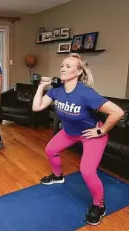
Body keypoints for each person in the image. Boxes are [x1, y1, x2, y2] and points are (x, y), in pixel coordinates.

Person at [32, 53, 124, 226]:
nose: (63, 69)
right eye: (62, 65)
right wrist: (40, 87)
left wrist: (101, 130)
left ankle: (99, 206)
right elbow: (37, 107)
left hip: (90, 135)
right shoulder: (56, 89)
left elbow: (117, 112)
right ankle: (58, 176)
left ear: (79, 71)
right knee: (50, 150)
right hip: (69, 132)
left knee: (87, 171)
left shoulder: (85, 93)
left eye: (68, 66)